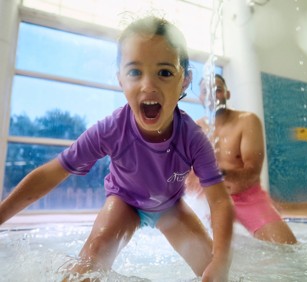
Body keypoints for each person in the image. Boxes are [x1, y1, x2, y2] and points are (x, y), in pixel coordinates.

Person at [0, 17, 234, 281]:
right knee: (93, 255)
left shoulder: (193, 138)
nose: (148, 85)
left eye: (165, 72)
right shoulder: (111, 130)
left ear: (184, 80)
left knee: (213, 270)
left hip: (171, 207)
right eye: (135, 72)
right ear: (120, 78)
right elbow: (52, 173)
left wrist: (222, 260)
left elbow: (219, 201)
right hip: (125, 202)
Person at [186, 74, 297, 245]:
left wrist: (215, 173)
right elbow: (188, 176)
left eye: (218, 90)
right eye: (205, 91)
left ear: (227, 94)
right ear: (200, 97)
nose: (211, 95)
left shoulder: (247, 121)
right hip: (209, 201)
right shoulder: (194, 128)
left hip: (247, 198)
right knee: (199, 250)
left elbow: (252, 171)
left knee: (288, 248)